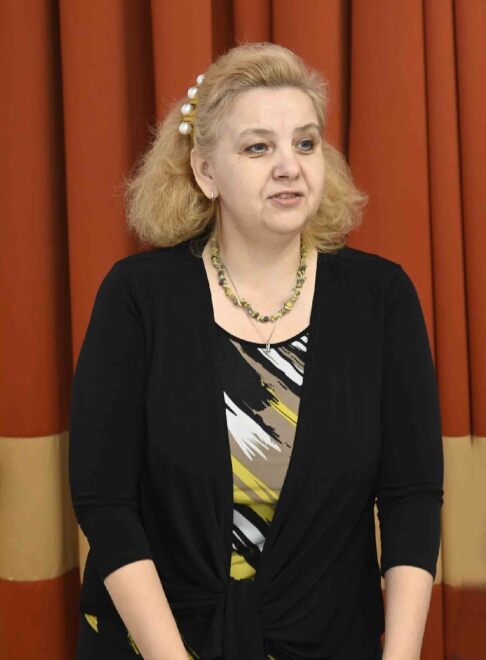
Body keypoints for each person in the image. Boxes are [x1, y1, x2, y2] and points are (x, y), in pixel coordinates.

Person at [69, 42, 444, 660]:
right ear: (205, 172)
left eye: (305, 143)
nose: (290, 166)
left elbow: (412, 498)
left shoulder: (382, 298)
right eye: (257, 148)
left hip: (331, 641)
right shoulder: (138, 297)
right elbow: (106, 503)